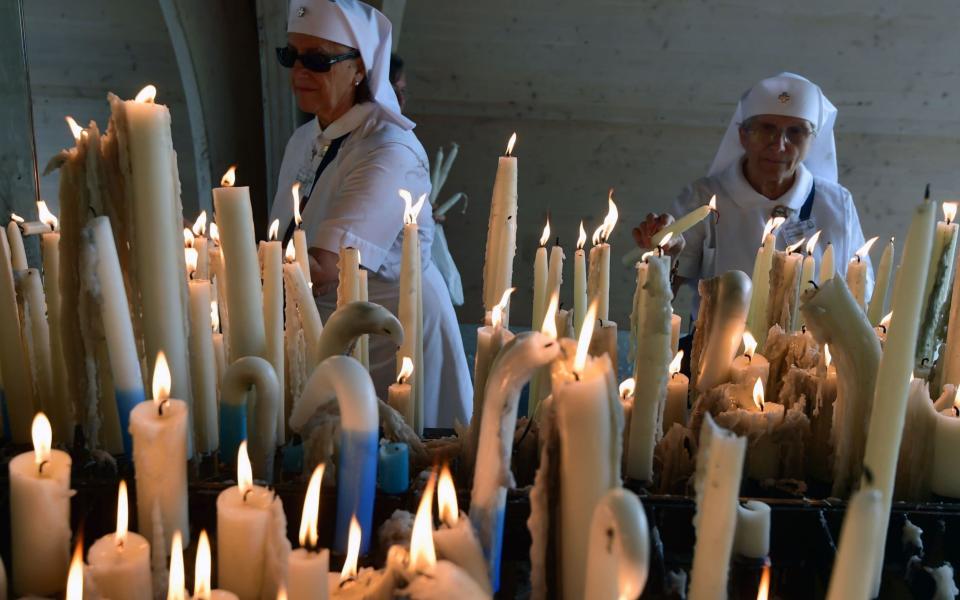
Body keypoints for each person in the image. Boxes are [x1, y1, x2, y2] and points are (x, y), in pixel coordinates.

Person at [270, 0, 472, 427]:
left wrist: (223, 272)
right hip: (332, 339)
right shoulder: (306, 136)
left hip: (394, 343)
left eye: (317, 60)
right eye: (291, 56)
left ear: (360, 68)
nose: (299, 72)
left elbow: (324, 267)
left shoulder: (388, 149)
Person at [634, 73, 872, 315]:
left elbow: (861, 293)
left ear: (812, 141)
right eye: (766, 129)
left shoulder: (837, 203)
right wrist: (666, 255)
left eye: (796, 132)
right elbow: (658, 299)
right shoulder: (704, 198)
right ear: (743, 135)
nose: (779, 145)